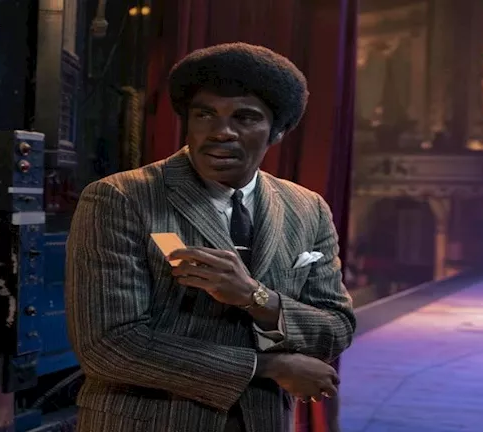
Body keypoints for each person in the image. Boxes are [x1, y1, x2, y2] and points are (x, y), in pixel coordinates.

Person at [65, 43, 356, 432]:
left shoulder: (307, 207)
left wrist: (257, 298)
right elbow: (108, 347)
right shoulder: (120, 198)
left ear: (279, 130)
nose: (221, 133)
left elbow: (336, 329)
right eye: (204, 115)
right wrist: (268, 366)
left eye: (245, 117)